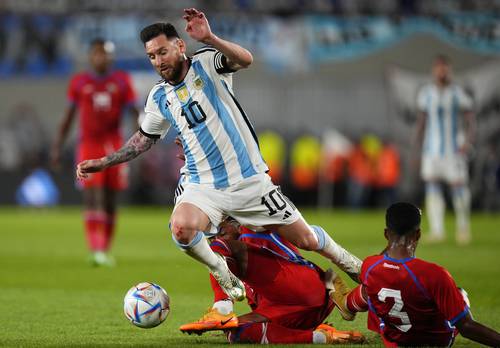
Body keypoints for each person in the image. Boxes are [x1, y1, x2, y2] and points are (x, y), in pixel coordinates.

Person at [76, 8, 361, 301]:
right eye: (152, 56)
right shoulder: (159, 97)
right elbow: (144, 138)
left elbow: (245, 59)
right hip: (204, 186)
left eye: (163, 52)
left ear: (180, 46)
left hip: (248, 180)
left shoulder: (207, 63)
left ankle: (350, 263)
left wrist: (210, 37)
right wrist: (105, 161)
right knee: (181, 228)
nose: (159, 61)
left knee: (307, 239)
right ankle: (221, 271)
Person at [179, 218, 364, 344]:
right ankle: (320, 336)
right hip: (295, 311)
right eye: (212, 236)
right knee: (235, 331)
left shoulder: (252, 227)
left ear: (234, 222)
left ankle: (221, 309)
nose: (216, 238)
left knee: (218, 251)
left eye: (220, 231)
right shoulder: (240, 268)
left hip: (304, 287)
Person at [338, 202, 500, 347]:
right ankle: (347, 305)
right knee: (460, 294)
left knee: (372, 286)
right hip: (436, 341)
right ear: (418, 234)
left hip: (394, 339)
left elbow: (382, 264)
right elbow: (466, 327)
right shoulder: (435, 274)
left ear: (386, 234)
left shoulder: (369, 265)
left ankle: (347, 305)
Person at [52, 38, 139, 266]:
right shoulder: (79, 82)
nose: (102, 57)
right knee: (93, 196)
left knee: (110, 199)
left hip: (115, 146)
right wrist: (57, 146)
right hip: (88, 145)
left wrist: (143, 138)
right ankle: (96, 249)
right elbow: (68, 117)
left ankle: (104, 249)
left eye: (106, 54)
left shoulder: (122, 81)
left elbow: (134, 112)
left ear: (111, 57)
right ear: (91, 56)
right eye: (98, 53)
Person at [414, 55, 475, 244]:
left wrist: (468, 141)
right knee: (432, 187)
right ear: (434, 70)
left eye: (445, 68)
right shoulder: (426, 93)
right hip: (432, 150)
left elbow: (470, 119)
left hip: (453, 150)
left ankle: (463, 229)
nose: (442, 71)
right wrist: (416, 146)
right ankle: (437, 230)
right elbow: (422, 121)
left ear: (449, 70)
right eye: (438, 68)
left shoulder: (458, 93)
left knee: (458, 187)